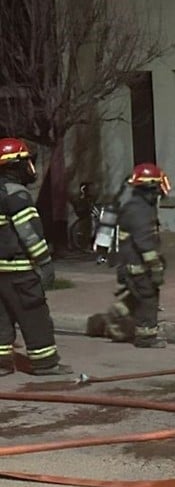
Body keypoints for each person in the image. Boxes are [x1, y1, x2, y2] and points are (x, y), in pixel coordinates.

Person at [0, 137, 73, 375]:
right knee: (34, 315)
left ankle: (1, 364)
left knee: (1, 318)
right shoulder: (16, 195)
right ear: (15, 165)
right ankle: (45, 363)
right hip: (19, 272)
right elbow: (29, 233)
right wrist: (44, 262)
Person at [106, 163, 170, 348]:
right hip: (137, 264)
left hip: (131, 263)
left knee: (137, 296)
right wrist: (155, 267)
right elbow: (144, 242)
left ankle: (118, 316)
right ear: (151, 187)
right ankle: (146, 337)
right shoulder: (140, 210)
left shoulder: (139, 205)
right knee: (148, 298)